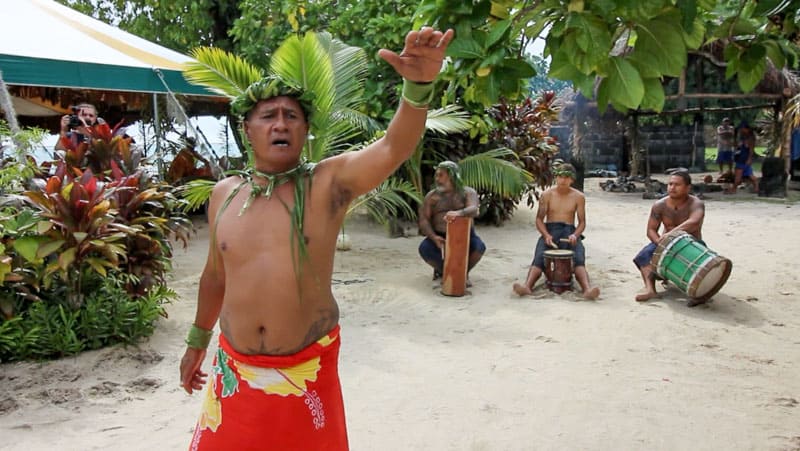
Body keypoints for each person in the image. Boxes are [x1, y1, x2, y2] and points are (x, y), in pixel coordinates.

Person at [179, 27, 454, 450]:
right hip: (235, 370)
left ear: (306, 130)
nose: (280, 124)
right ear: (247, 129)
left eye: (292, 116)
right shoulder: (224, 195)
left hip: (306, 371)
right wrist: (197, 342)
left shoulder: (328, 183)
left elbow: (393, 147)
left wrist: (417, 87)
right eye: (267, 116)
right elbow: (215, 277)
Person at [512, 163, 600, 300]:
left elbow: (582, 222)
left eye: (566, 177)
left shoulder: (578, 197)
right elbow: (539, 219)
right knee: (539, 257)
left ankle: (587, 289)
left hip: (569, 230)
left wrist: (575, 235)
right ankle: (527, 286)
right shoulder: (547, 195)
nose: (563, 180)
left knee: (578, 258)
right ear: (556, 177)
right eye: (560, 177)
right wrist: (546, 235)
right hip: (550, 229)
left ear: (572, 180)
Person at [633, 169, 705, 304]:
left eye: (677, 185)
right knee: (643, 256)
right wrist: (659, 241)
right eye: (670, 184)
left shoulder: (696, 204)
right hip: (665, 243)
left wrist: (672, 235)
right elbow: (651, 230)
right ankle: (650, 289)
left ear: (688, 187)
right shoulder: (659, 205)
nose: (672, 187)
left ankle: (698, 293)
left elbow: (694, 222)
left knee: (701, 266)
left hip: (691, 242)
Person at [417, 160, 486, 285]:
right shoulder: (431, 197)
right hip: (440, 235)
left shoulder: (467, 192)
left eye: (441, 175)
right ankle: (443, 272)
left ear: (453, 176)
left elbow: (474, 210)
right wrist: (433, 237)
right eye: (436, 175)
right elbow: (424, 220)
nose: (437, 179)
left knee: (479, 247)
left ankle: (462, 273)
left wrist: (459, 213)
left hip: (465, 235)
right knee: (424, 248)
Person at [729, 121, 759, 193]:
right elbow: (737, 146)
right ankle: (757, 188)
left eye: (742, 129)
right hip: (741, 158)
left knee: (738, 176)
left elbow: (751, 150)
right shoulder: (742, 137)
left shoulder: (750, 138)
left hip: (743, 159)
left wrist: (749, 159)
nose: (741, 130)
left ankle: (733, 189)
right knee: (750, 175)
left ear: (746, 129)